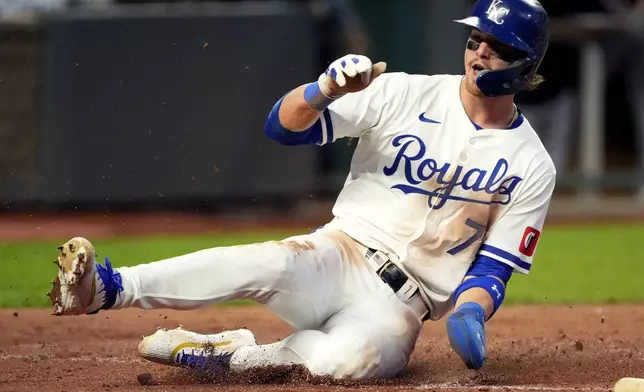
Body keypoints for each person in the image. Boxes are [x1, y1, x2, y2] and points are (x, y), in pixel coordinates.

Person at [47, 0, 556, 380]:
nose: (480, 51)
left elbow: (494, 268)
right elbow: (284, 128)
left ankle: (230, 353)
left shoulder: (531, 164)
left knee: (345, 363)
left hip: (403, 305)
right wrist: (323, 90)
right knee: (270, 262)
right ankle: (109, 289)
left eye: (498, 47)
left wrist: (470, 309)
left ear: (526, 65)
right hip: (341, 253)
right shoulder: (404, 91)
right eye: (474, 40)